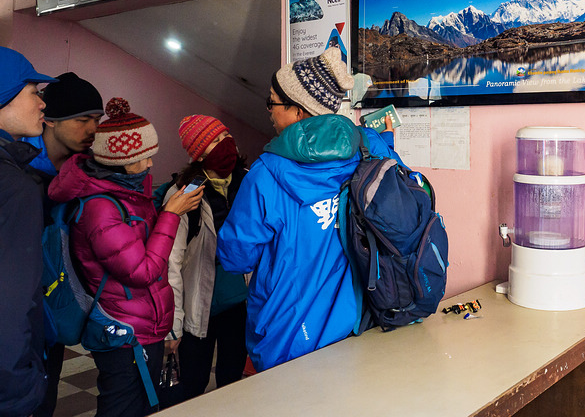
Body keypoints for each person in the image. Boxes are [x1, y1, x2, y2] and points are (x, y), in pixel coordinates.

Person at [216, 46, 401, 371]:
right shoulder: (369, 146)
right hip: (358, 322)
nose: (269, 112)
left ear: (298, 111)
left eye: (272, 103)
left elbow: (235, 258)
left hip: (287, 336)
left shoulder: (265, 175)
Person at [48, 98, 203, 417]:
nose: (149, 165)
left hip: (143, 326)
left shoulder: (129, 193)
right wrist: (171, 215)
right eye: (144, 158)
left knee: (142, 405)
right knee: (121, 408)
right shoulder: (101, 208)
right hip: (123, 332)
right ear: (118, 160)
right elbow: (142, 272)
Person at [20, 72, 104, 417]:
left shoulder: (85, 172)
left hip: (54, 316)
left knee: (44, 398)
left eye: (97, 120)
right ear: (50, 122)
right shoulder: (18, 168)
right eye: (83, 119)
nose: (93, 129)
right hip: (17, 314)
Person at [162, 115, 249, 402]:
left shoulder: (248, 180)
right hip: (199, 309)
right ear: (198, 154)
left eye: (225, 136)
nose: (225, 145)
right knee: (192, 384)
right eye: (214, 142)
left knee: (232, 380)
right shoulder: (184, 194)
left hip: (240, 303)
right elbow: (170, 263)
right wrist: (173, 324)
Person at [0, 47, 55, 417]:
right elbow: (9, 304)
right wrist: (22, 391)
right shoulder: (15, 188)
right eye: (34, 92)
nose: (42, 104)